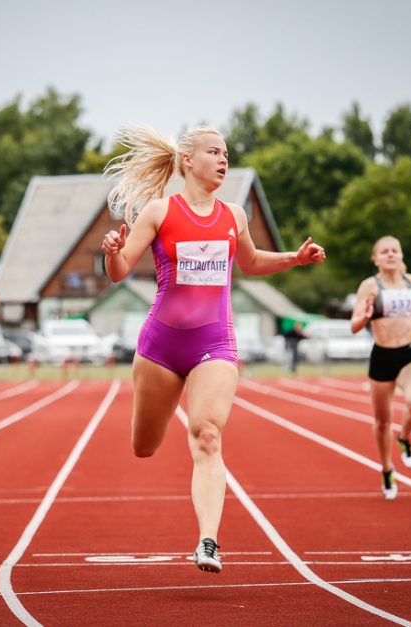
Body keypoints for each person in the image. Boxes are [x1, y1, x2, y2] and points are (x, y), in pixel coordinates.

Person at [101, 124, 326, 573]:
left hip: (215, 345)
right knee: (143, 447)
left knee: (207, 433)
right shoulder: (159, 212)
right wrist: (112, 250)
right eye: (213, 152)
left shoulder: (234, 215)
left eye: (226, 153)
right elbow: (119, 271)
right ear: (188, 160)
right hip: (160, 349)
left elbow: (251, 261)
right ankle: (201, 527)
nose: (223, 160)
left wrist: (293, 260)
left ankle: (208, 541)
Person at [350, 236, 411, 500]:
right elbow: (354, 324)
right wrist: (366, 317)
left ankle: (404, 438)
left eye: (395, 250)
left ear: (401, 255)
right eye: (384, 251)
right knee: (383, 421)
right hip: (382, 356)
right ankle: (386, 468)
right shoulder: (370, 286)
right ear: (376, 258)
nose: (390, 254)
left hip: (410, 353)